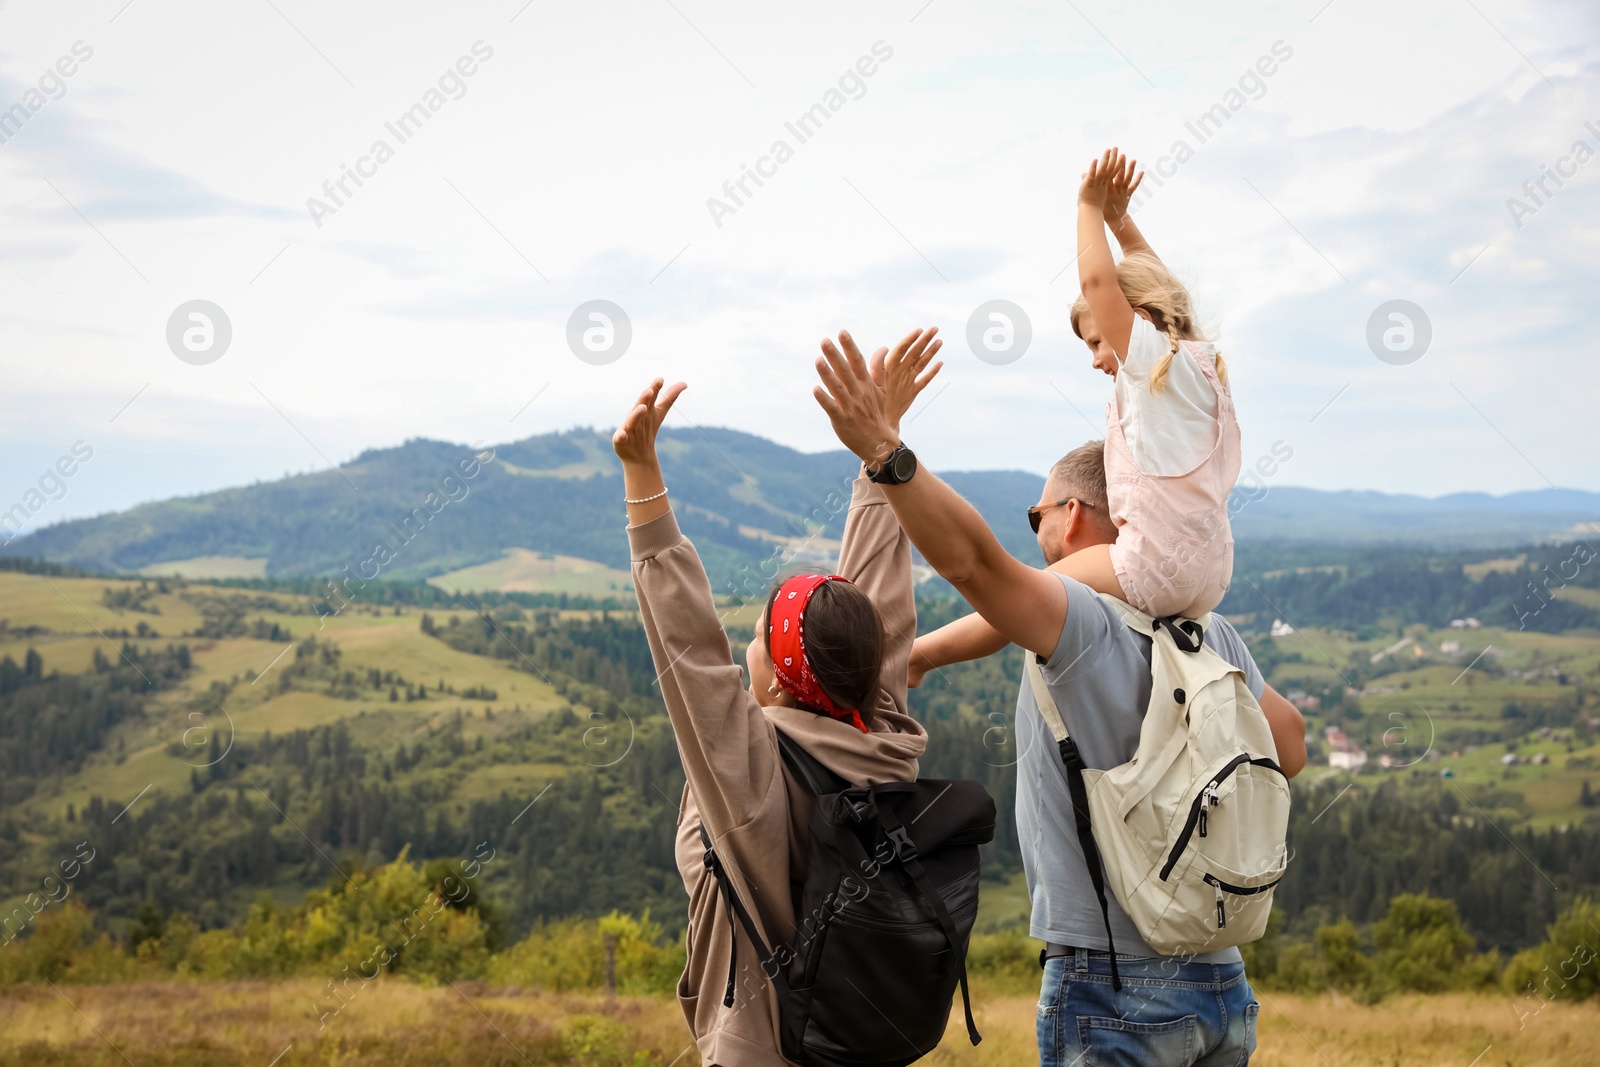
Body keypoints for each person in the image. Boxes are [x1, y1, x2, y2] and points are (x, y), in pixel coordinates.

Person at [811, 333, 1306, 1067]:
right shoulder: (1209, 631)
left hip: (1113, 986)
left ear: (1074, 515)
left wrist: (886, 453)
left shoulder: (1083, 627)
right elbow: (1289, 745)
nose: (1036, 529)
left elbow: (977, 565)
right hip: (1221, 981)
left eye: (1036, 515)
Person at [613, 338, 940, 1067]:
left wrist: (642, 475)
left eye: (758, 639)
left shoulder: (752, 774)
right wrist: (880, 447)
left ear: (785, 678)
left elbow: (689, 653)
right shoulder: (884, 728)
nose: (743, 650)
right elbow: (879, 592)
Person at [1049, 147, 1241, 622]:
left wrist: (1089, 206)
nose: (1096, 360)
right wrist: (1121, 220)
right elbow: (1165, 293)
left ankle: (922, 657)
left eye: (1097, 341)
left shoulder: (1150, 358)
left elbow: (1099, 284)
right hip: (1212, 573)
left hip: (1156, 569)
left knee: (1025, 592)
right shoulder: (1194, 360)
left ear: (1134, 321)